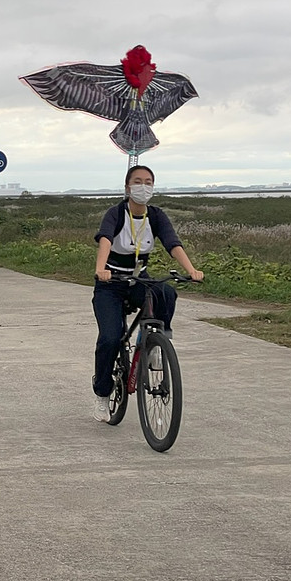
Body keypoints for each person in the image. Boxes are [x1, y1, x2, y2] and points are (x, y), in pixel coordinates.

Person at [91, 164, 204, 422]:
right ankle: (102, 394)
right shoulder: (116, 213)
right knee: (110, 338)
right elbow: (105, 239)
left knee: (166, 292)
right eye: (138, 182)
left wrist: (192, 269)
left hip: (138, 278)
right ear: (128, 187)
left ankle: (155, 341)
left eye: (148, 182)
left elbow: (172, 242)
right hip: (111, 283)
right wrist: (100, 269)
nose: (144, 187)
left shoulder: (156, 215)